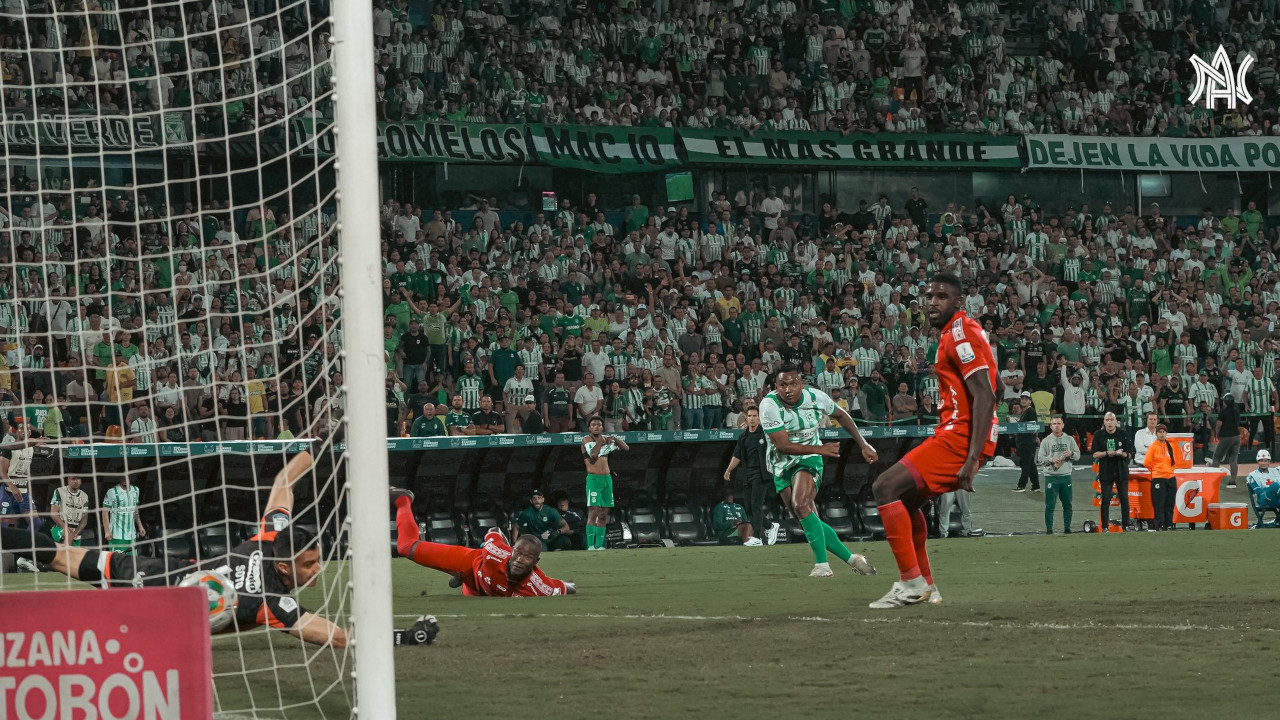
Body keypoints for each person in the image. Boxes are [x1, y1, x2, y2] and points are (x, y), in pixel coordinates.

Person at [0, 452, 349, 646]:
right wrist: (365, 639)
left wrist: (316, 450)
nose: (319, 569)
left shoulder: (271, 537)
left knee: (58, 555)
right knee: (61, 569)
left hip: (148, 572)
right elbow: (328, 635)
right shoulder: (271, 601)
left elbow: (284, 480)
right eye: (311, 563)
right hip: (147, 598)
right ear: (285, 567)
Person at [868, 273, 999, 608]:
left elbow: (985, 395)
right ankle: (926, 585)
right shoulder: (953, 334)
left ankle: (911, 584)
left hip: (960, 437)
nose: (932, 302)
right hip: (956, 433)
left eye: (942, 296)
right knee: (907, 503)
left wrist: (972, 458)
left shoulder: (960, 334)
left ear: (958, 301)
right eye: (928, 296)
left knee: (884, 488)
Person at [759, 362, 877, 578]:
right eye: (782, 385)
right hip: (780, 462)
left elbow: (841, 415)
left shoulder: (815, 397)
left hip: (809, 459)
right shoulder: (769, 405)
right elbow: (783, 445)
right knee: (804, 517)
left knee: (801, 504)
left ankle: (822, 566)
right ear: (775, 386)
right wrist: (821, 448)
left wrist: (863, 443)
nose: (788, 389)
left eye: (793, 384)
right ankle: (853, 559)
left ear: (802, 384)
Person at [392, 488, 575, 596]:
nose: (520, 559)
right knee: (406, 547)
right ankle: (403, 499)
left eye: (528, 557)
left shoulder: (539, 585)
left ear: (536, 563)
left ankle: (462, 579)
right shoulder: (495, 551)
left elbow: (563, 587)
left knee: (474, 590)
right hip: (470, 563)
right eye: (518, 553)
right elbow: (494, 532)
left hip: (477, 590)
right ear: (511, 551)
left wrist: (569, 586)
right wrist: (501, 539)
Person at [723, 406, 778, 545]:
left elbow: (776, 450)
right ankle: (770, 526)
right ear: (746, 418)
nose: (752, 419)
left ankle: (757, 537)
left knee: (756, 505)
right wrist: (729, 469)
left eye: (754, 416)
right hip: (748, 475)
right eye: (750, 416)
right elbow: (737, 455)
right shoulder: (743, 437)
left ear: (759, 418)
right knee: (748, 507)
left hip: (762, 475)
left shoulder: (765, 435)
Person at [582, 416, 629, 551]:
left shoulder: (606, 439)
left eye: (599, 425)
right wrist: (602, 442)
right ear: (589, 428)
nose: (596, 427)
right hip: (594, 479)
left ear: (602, 427)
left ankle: (599, 546)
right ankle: (590, 545)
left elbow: (626, 448)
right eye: (593, 425)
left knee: (603, 514)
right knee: (593, 512)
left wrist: (614, 439)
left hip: (607, 479)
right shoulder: (587, 440)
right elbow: (594, 455)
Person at [1036, 416, 1080, 534]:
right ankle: (1049, 530)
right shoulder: (1046, 441)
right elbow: (1040, 459)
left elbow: (1078, 455)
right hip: (1051, 477)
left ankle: (1067, 528)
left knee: (1068, 504)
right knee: (1050, 505)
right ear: (1050, 426)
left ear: (1063, 425)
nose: (1056, 426)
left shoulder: (1070, 439)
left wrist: (1071, 453)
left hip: (1066, 476)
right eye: (1054, 423)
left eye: (1059, 423)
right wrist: (1051, 459)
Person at [1091, 412, 1134, 531]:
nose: (1109, 422)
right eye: (1107, 420)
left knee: (1124, 498)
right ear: (1104, 422)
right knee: (1105, 499)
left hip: (1121, 470)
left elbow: (1130, 453)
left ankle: (1126, 525)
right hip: (1106, 471)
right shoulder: (1098, 435)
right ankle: (1105, 526)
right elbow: (1094, 453)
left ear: (1116, 422)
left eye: (1111, 420)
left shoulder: (1123, 434)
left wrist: (1122, 454)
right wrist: (1106, 453)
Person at [1143, 423, 1178, 531]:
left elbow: (1175, 460)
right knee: (1159, 503)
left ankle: (1169, 524)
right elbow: (1147, 462)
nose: (1162, 434)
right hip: (1158, 478)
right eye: (1160, 432)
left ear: (1166, 433)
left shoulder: (1171, 445)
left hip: (1171, 477)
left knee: (1170, 503)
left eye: (1164, 432)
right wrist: (1157, 470)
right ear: (1156, 434)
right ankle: (1160, 524)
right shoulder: (1153, 447)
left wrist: (1169, 470)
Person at [101, 474, 146, 554]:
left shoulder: (136, 490)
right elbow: (105, 512)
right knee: (117, 562)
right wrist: (107, 531)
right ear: (119, 477)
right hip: (117, 535)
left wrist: (140, 526)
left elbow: (135, 509)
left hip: (132, 535)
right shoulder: (112, 492)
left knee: (132, 562)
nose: (125, 478)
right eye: (122, 476)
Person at [50, 472, 90, 546]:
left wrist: (76, 532)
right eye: (73, 479)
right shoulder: (59, 491)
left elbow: (84, 520)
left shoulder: (85, 496)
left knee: (75, 555)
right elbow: (53, 513)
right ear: (68, 480)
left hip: (75, 531)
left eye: (78, 478)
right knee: (69, 536)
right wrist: (64, 527)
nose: (76, 481)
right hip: (59, 528)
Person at [1212, 392, 1242, 488]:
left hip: (1226, 437)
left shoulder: (1223, 411)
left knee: (1216, 458)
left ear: (1225, 402)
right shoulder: (1236, 411)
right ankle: (1232, 481)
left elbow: (1219, 425)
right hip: (1237, 436)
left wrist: (1217, 434)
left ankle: (1214, 480)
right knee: (1233, 459)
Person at [1013, 392, 1040, 492]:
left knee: (1026, 464)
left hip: (1027, 442)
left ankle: (1021, 486)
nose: (1024, 400)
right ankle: (1036, 486)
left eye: (1026, 399)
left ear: (1030, 401)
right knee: (1030, 464)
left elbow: (1033, 427)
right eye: (1022, 398)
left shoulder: (1030, 411)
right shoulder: (1026, 412)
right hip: (1026, 442)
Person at [1245, 450, 1280, 527]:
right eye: (1261, 461)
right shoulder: (1252, 475)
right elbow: (1258, 492)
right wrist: (1271, 489)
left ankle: (1278, 521)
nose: (1263, 463)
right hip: (1263, 499)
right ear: (1258, 462)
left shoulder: (1276, 471)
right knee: (1275, 485)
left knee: (1276, 486)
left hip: (1276, 499)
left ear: (1269, 462)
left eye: (1265, 461)